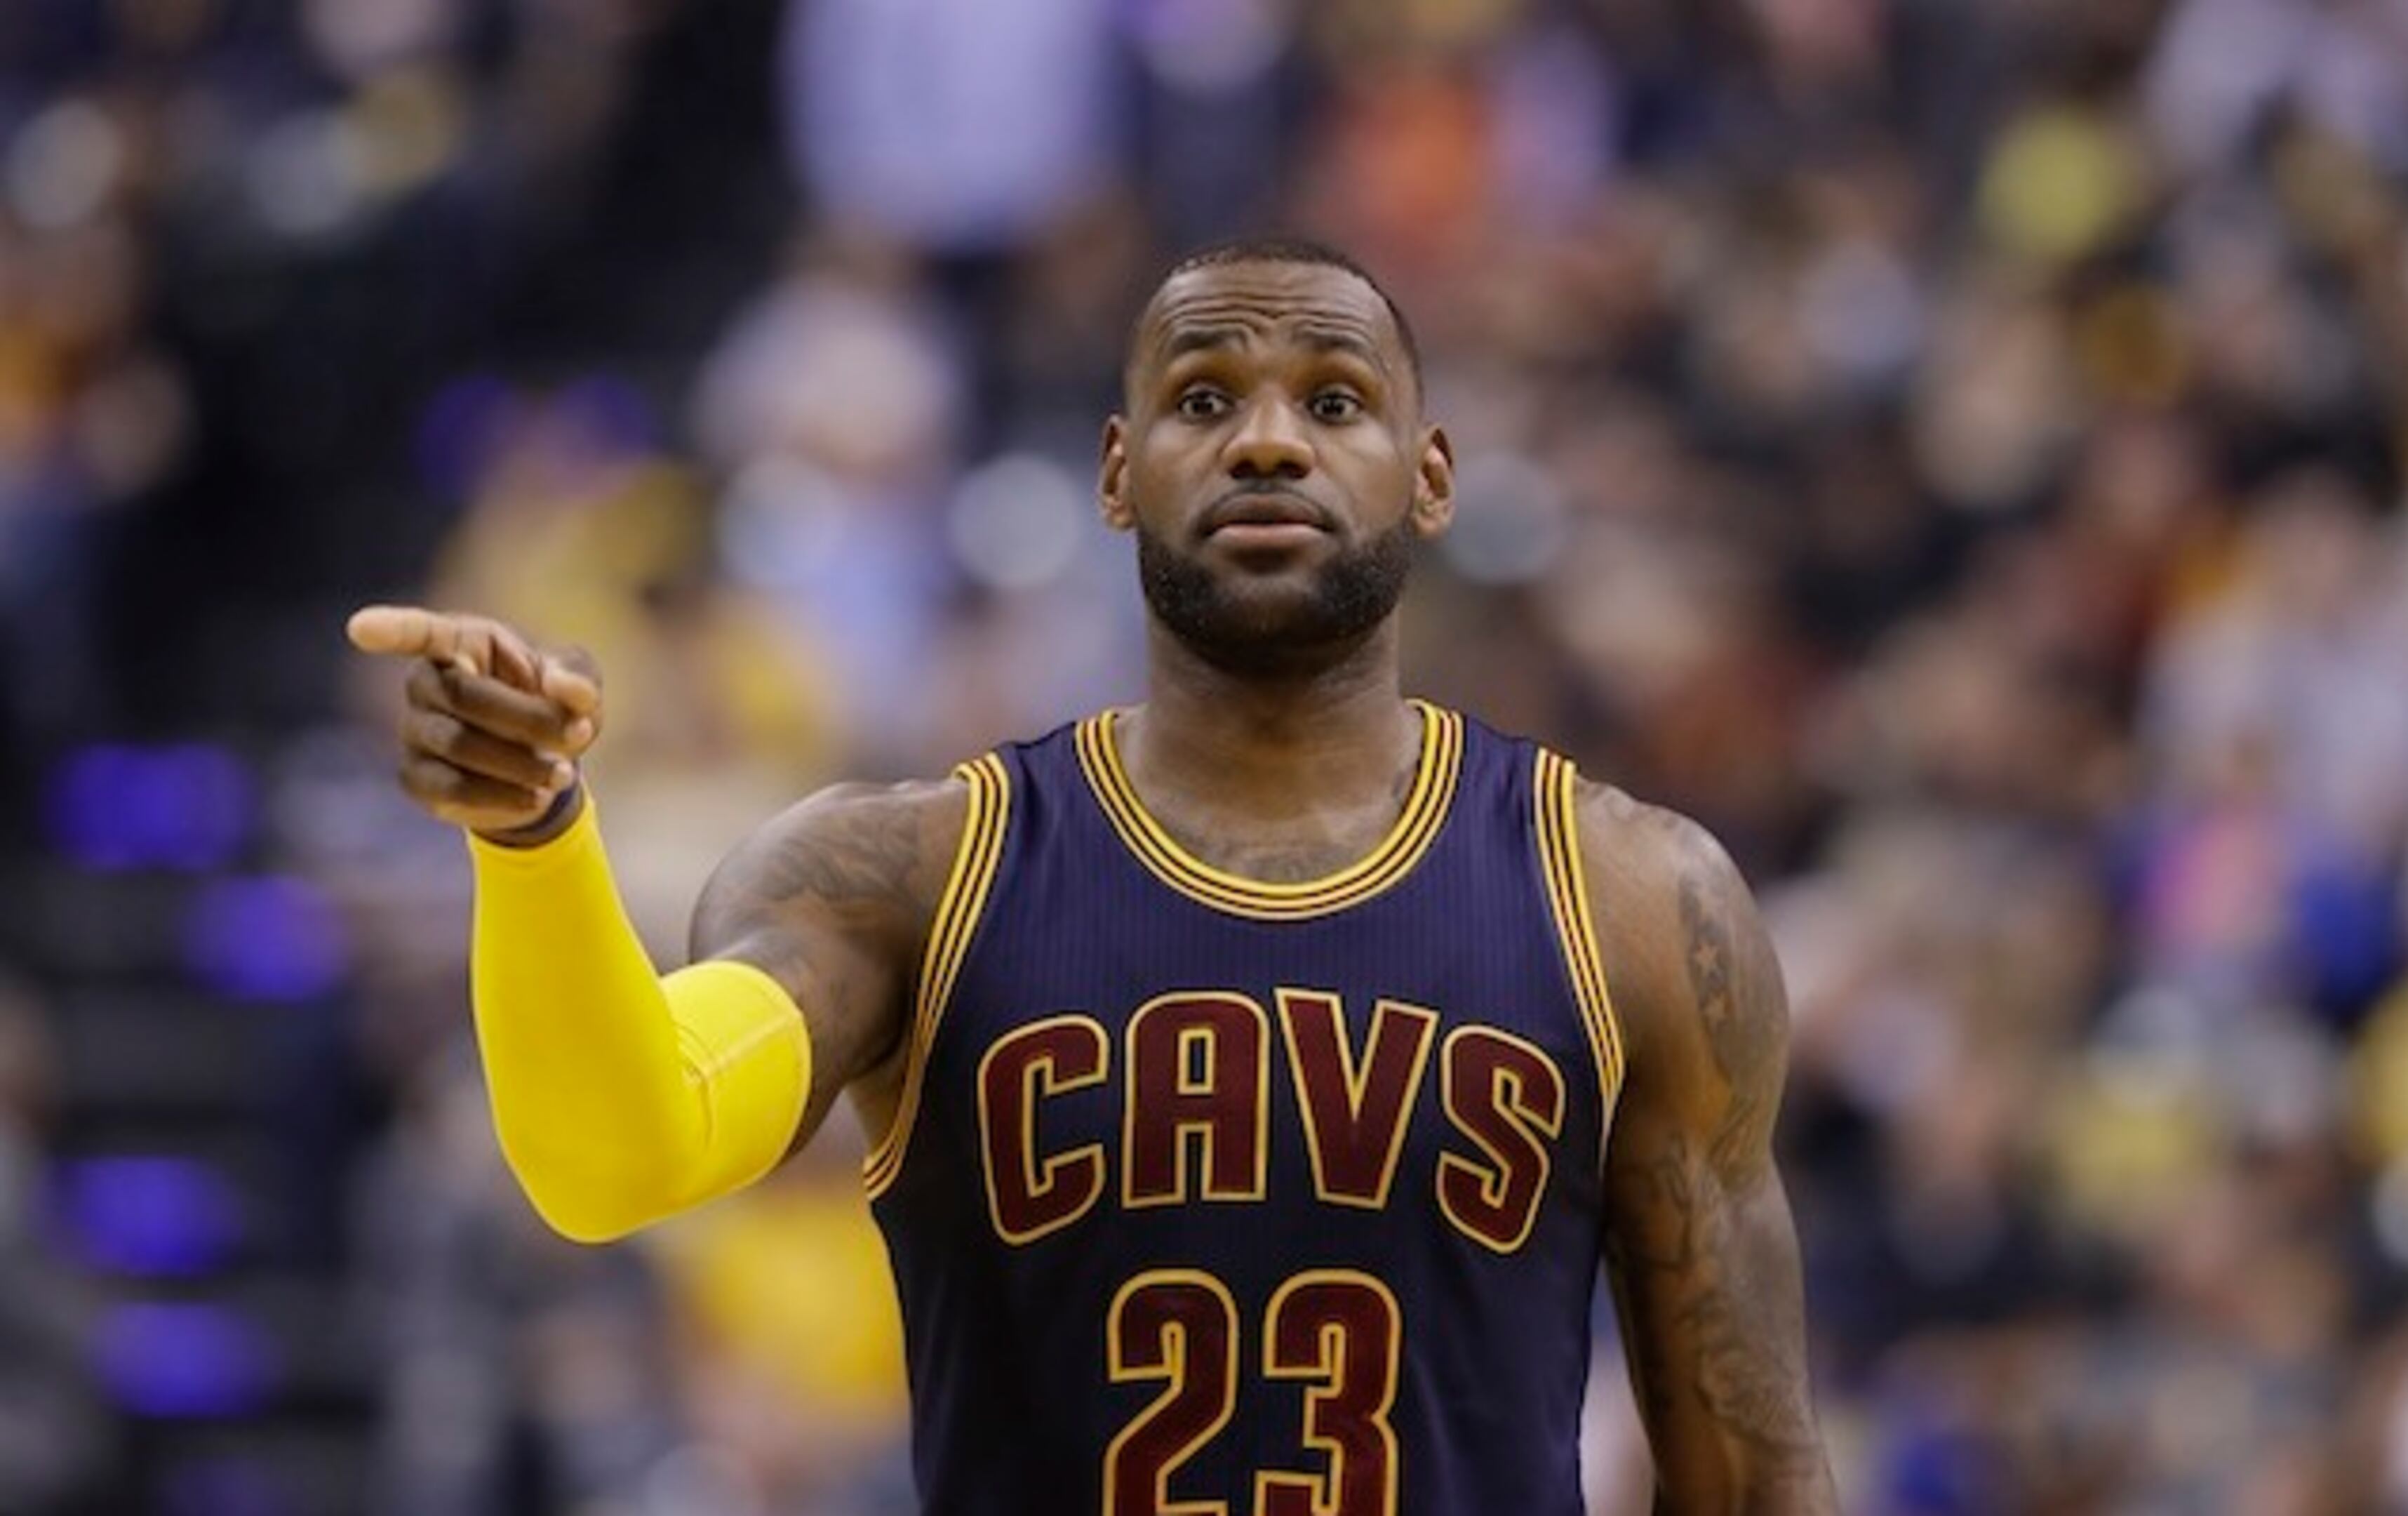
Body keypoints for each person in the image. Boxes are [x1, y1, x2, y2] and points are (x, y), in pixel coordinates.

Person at [347, 237, 1838, 1513]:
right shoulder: (908, 878)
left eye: (1335, 401)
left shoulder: (1635, 899)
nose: (1267, 441)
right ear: (1118, 474)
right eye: (1203, 399)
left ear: (1429, 475)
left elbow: (1752, 1479)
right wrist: (534, 838)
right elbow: (615, 1160)